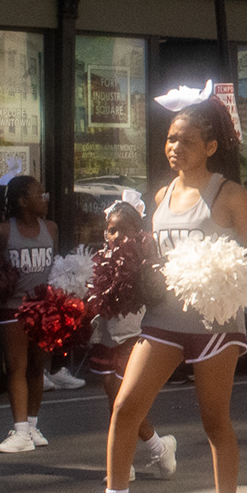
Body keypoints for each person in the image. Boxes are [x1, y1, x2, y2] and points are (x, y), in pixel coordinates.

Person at [83, 95, 247, 493]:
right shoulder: (161, 196)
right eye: (170, 139)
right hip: (163, 318)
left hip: (215, 322)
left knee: (214, 419)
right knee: (126, 406)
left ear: (211, 146)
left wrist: (219, 272)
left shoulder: (229, 194)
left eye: (186, 139)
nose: (174, 146)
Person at [83, 196, 177, 478]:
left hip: (134, 337)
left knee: (122, 401)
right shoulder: (99, 260)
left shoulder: (146, 261)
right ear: (105, 233)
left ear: (138, 233)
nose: (117, 236)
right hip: (105, 337)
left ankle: (124, 465)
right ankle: (159, 446)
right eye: (112, 230)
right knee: (116, 400)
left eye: (124, 230)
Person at [0, 175, 57, 455]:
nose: (45, 199)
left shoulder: (51, 228)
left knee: (36, 368)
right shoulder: (3, 232)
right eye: (39, 195)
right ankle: (19, 431)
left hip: (43, 308)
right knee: (16, 366)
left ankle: (31, 427)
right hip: (13, 309)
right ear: (22, 201)